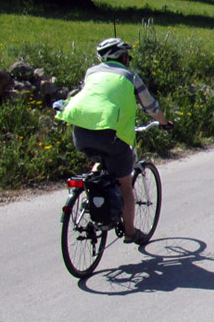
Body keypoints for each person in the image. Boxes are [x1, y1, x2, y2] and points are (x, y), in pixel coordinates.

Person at [58, 38, 169, 244]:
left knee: (99, 161)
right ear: (122, 57)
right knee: (125, 186)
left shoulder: (91, 72)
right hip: (111, 136)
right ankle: (130, 232)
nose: (129, 59)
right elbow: (150, 106)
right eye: (128, 56)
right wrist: (163, 122)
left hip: (81, 133)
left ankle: (90, 195)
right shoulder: (130, 76)